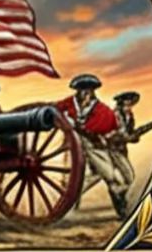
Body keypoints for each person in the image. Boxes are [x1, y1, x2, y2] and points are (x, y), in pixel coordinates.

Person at [56, 72, 133, 218]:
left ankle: (120, 204)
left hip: (94, 147)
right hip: (73, 146)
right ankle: (69, 201)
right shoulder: (69, 103)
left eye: (88, 89)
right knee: (78, 177)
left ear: (93, 92)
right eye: (82, 89)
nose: (85, 93)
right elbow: (55, 109)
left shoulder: (103, 111)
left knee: (109, 176)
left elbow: (110, 129)